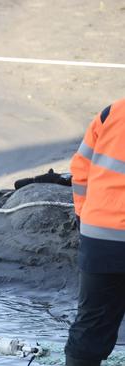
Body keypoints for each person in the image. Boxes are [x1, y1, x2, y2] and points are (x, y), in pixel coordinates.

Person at [66, 99, 125, 366]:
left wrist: (84, 216)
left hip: (99, 236)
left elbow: (80, 171)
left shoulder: (112, 112)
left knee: (90, 325)